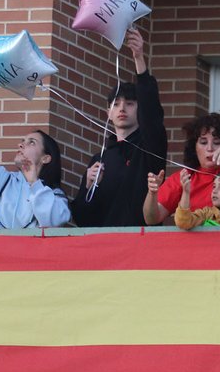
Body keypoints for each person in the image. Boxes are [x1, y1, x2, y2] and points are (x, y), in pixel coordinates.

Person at [71, 29, 167, 227]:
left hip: (143, 246)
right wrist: (88, 187)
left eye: (130, 103)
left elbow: (152, 116)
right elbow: (82, 219)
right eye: (116, 104)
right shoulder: (100, 159)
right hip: (105, 248)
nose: (122, 108)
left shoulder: (149, 146)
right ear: (108, 112)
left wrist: (139, 59)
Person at [143, 113, 220, 225]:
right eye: (203, 142)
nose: (210, 148)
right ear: (194, 147)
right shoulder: (184, 177)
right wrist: (152, 193)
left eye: (217, 142)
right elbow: (151, 219)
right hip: (196, 249)